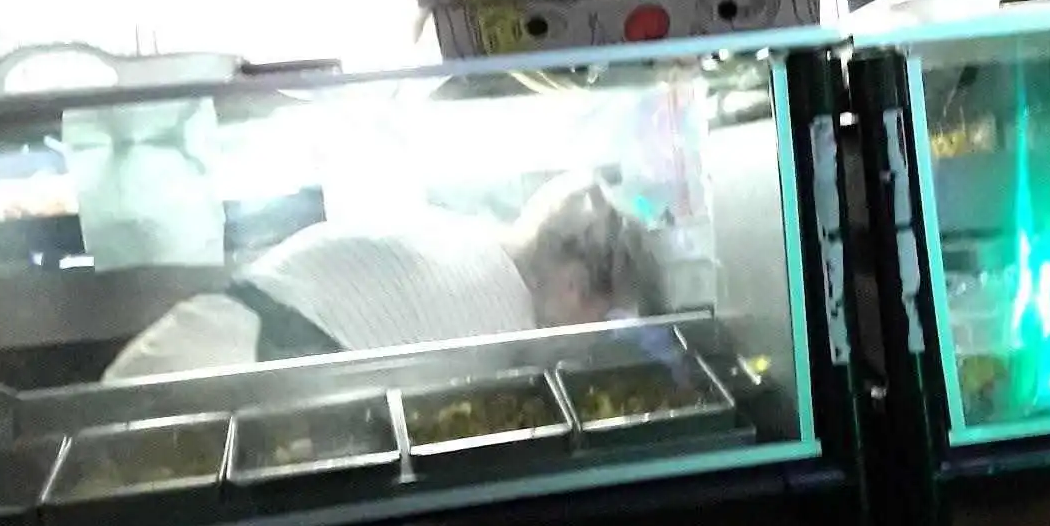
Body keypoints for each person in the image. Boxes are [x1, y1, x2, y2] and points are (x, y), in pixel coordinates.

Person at [103, 172, 648, 381]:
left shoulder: (459, 229)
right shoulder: (504, 320)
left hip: (199, 331)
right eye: (603, 315)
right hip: (225, 378)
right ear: (574, 284)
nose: (594, 336)